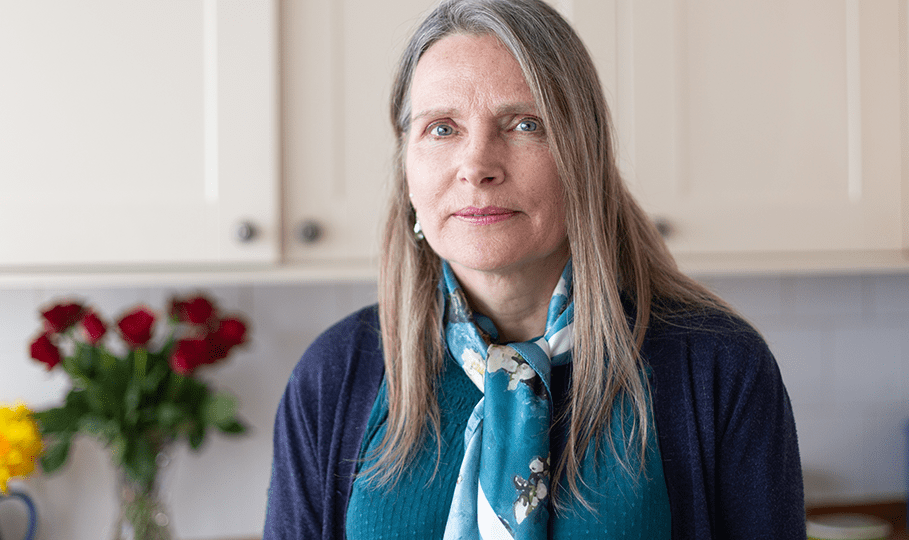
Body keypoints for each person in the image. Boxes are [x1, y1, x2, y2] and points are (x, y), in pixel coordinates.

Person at [264, 0, 805, 538]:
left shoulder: (719, 368)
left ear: (584, 156)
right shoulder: (335, 376)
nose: (477, 165)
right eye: (441, 128)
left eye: (525, 124)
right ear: (407, 167)